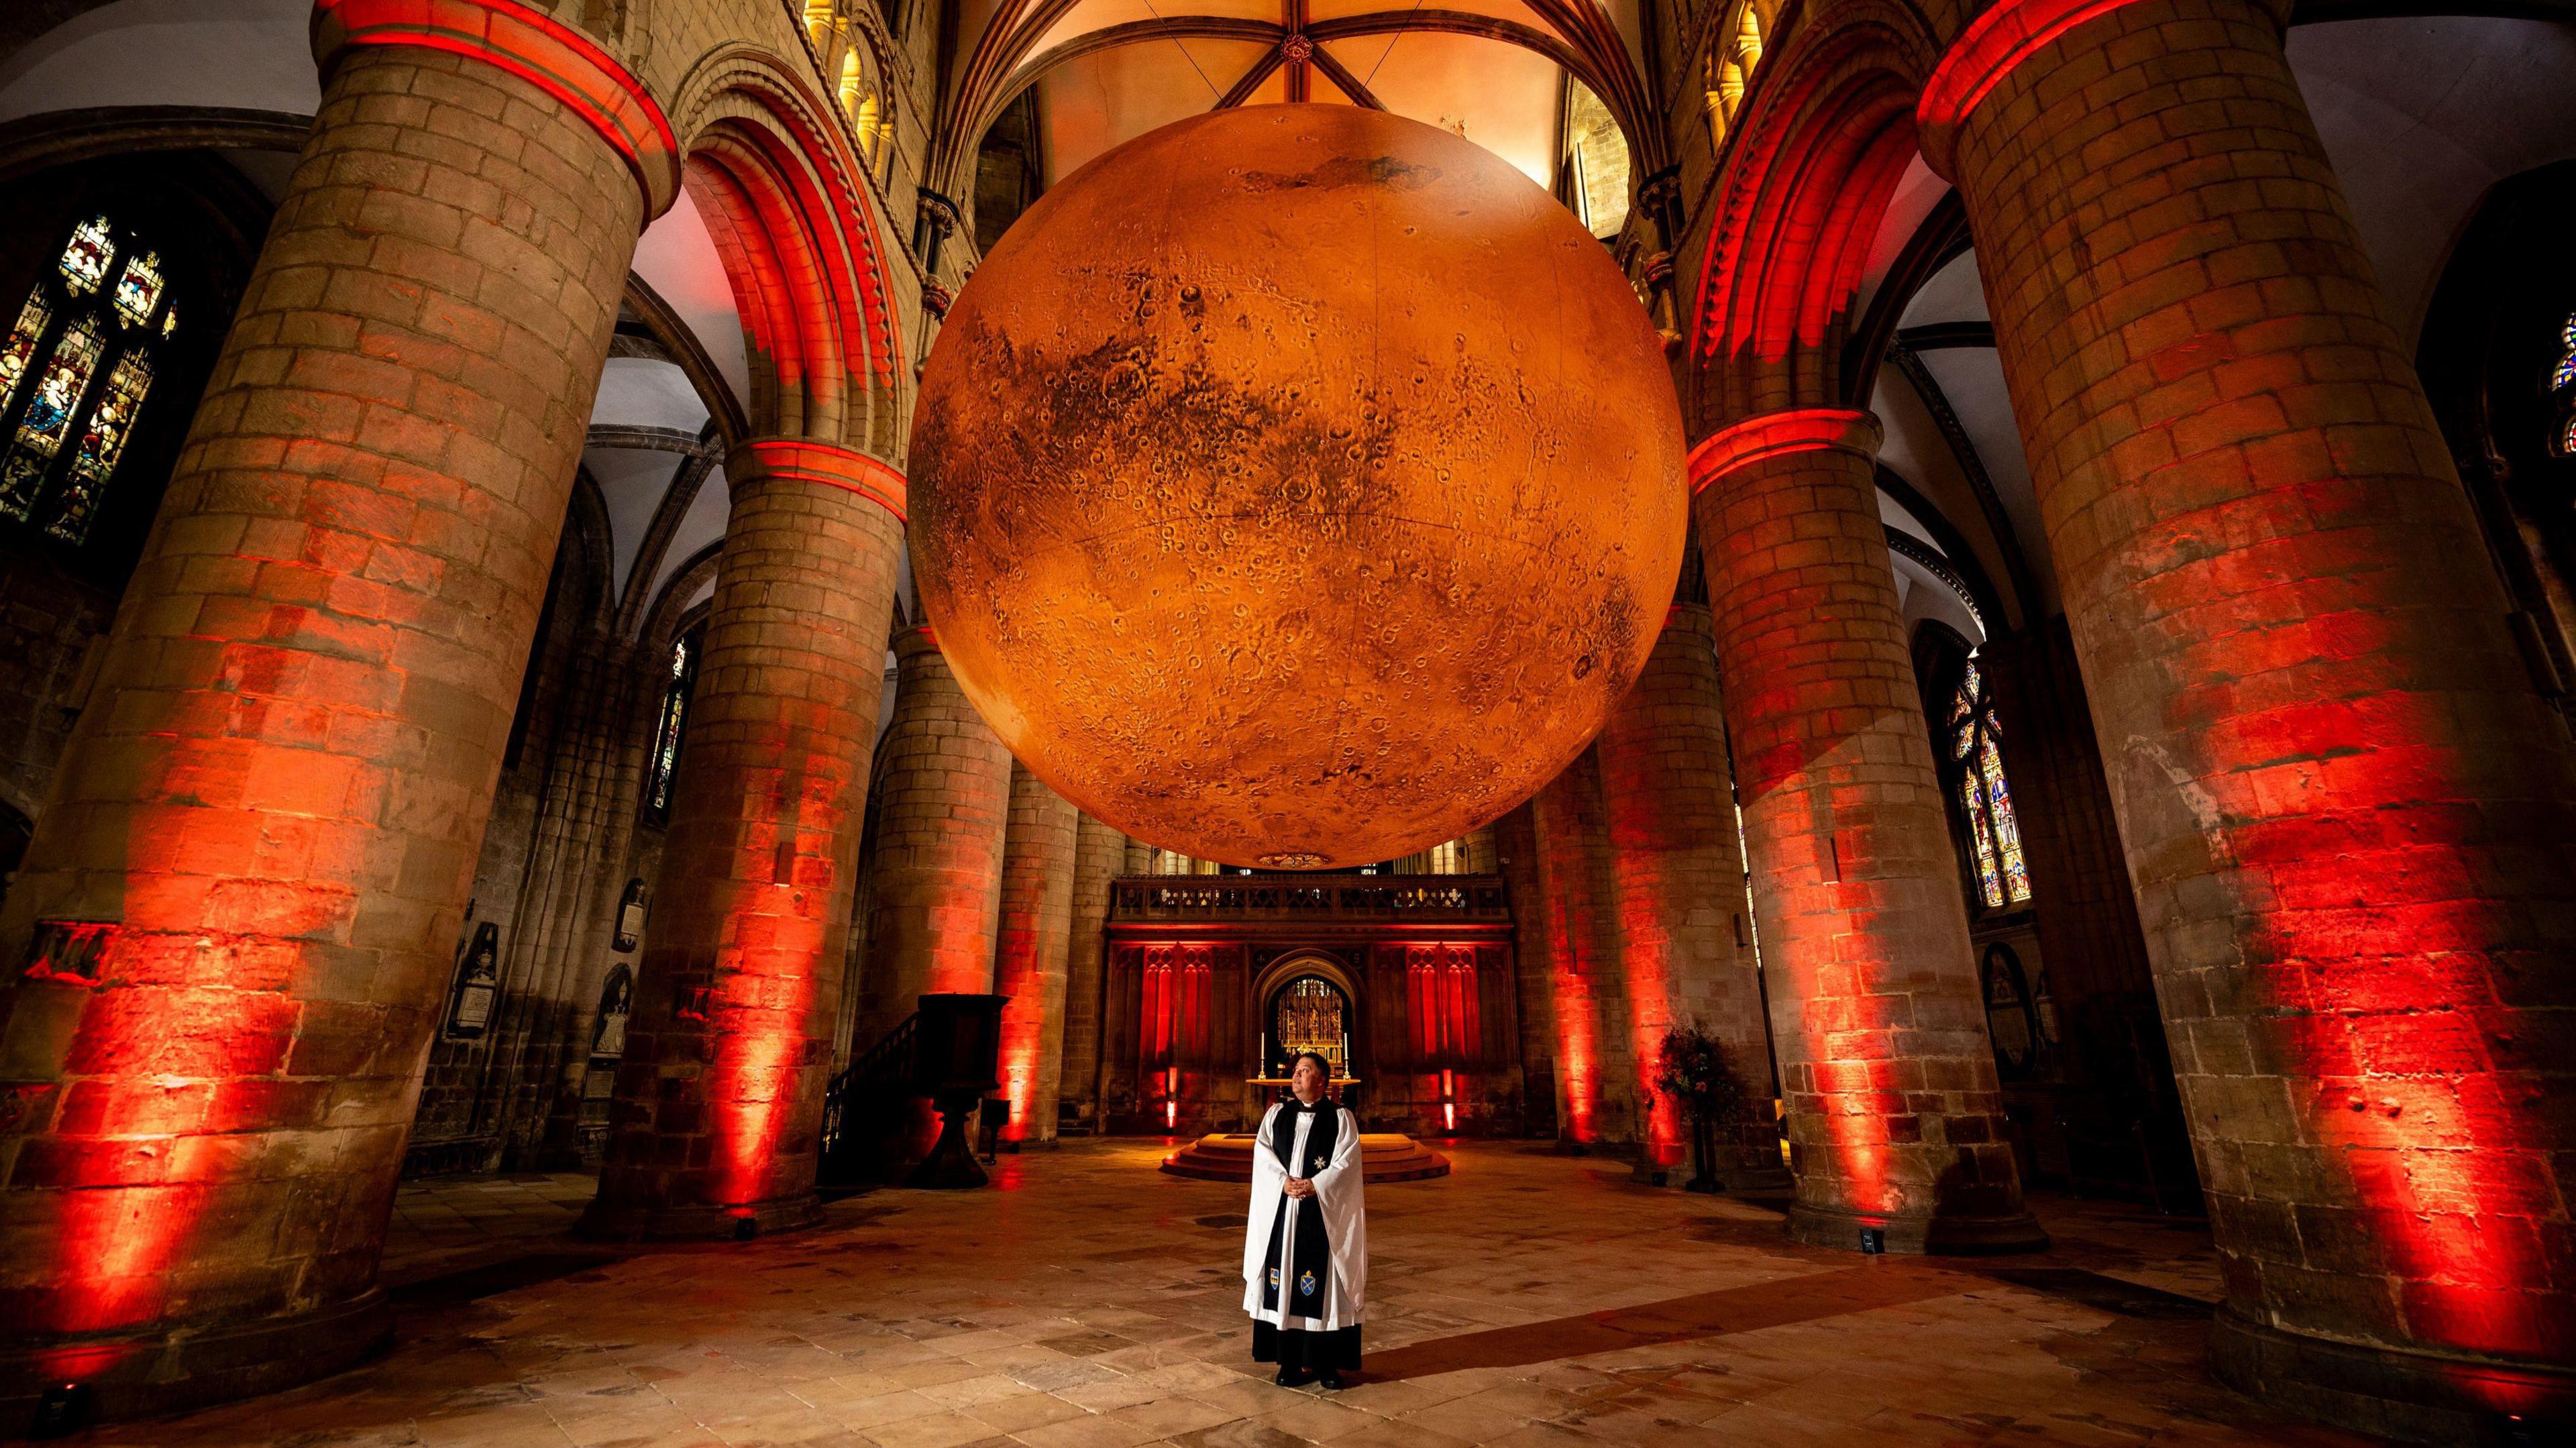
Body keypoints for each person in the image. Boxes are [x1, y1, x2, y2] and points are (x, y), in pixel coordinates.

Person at [1242, 1050, 1366, 1388]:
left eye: (1305, 1071)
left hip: (1321, 1214)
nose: (1296, 1076)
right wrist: (1283, 1182)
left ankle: (1327, 1366)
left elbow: (1346, 1163)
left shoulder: (1341, 1118)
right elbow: (1263, 1153)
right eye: (1296, 1071)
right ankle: (1290, 1363)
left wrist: (1316, 1185)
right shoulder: (1276, 1115)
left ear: (1323, 1081)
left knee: (1322, 1288)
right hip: (1284, 1212)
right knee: (1282, 1283)